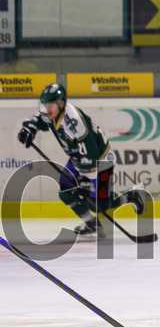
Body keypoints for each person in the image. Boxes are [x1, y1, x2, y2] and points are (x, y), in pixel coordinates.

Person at [17, 83, 145, 238]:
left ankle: (131, 196)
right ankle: (92, 224)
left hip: (101, 160)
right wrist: (30, 128)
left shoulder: (74, 123)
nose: (47, 108)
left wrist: (85, 182)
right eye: (46, 104)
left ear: (61, 103)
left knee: (100, 204)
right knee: (66, 192)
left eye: (51, 105)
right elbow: (40, 118)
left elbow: (91, 155)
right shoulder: (53, 112)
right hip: (78, 158)